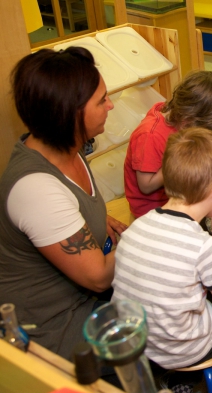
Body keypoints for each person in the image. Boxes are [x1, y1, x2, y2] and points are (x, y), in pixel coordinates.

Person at [113, 127, 212, 393]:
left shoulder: (135, 228)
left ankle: (173, 381)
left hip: (140, 344)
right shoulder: (201, 246)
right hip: (181, 348)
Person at [0, 47, 128, 359]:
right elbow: (98, 277)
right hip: (54, 325)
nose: (110, 105)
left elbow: (69, 208)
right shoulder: (36, 190)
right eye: (101, 100)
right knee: (187, 325)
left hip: (81, 297)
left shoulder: (67, 147)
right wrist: (149, 235)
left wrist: (96, 221)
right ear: (68, 115)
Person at [124, 70, 212, 218]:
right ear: (189, 119)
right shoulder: (150, 136)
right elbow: (146, 186)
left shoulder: (177, 117)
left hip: (179, 196)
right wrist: (180, 159)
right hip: (152, 210)